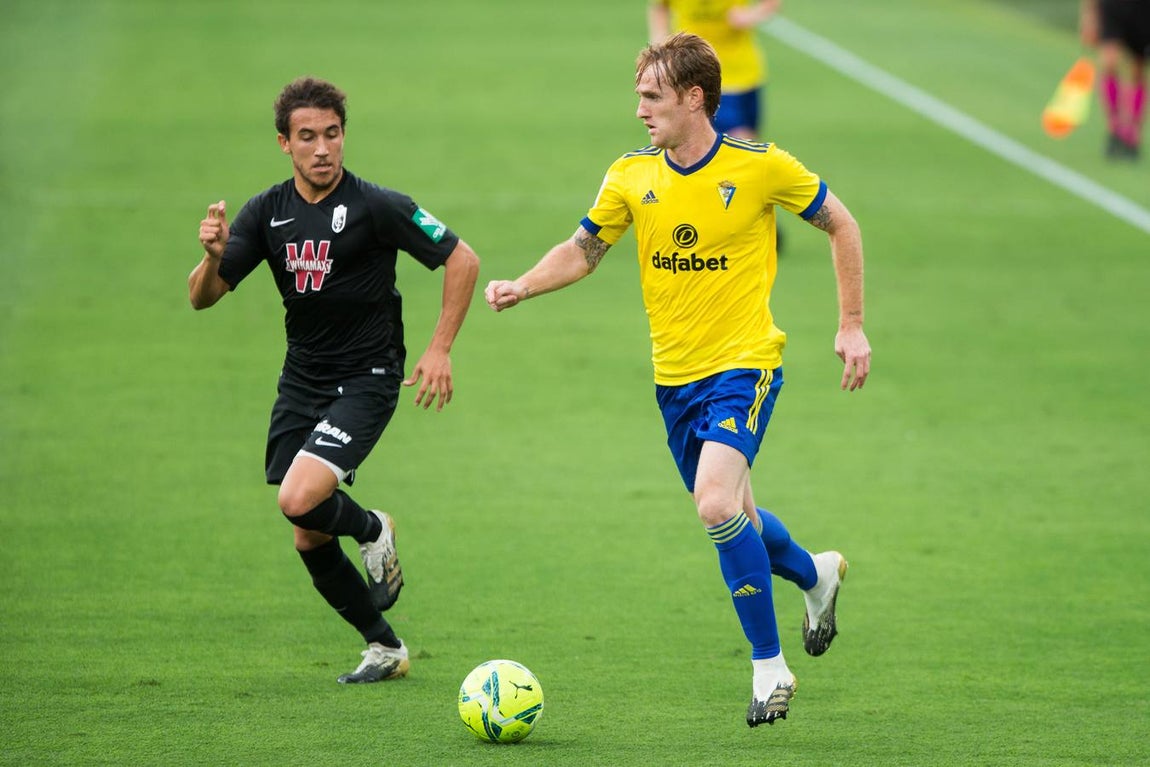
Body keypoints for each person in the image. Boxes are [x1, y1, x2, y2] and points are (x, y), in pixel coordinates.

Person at [485, 33, 870, 727]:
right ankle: (816, 574)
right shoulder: (631, 175)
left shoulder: (760, 165)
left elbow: (842, 223)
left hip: (745, 364)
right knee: (742, 519)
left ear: (695, 98)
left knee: (715, 504)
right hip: (675, 382)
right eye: (639, 96)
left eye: (652, 96)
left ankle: (769, 666)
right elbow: (584, 249)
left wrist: (850, 323)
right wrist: (524, 285)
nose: (640, 110)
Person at [189, 77, 480, 684]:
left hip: (369, 377)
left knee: (298, 498)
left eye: (332, 134)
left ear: (343, 136)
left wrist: (439, 349)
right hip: (302, 380)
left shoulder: (377, 206)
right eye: (307, 137)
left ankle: (374, 529)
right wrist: (214, 255)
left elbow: (462, 258)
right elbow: (202, 299)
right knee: (307, 534)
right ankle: (385, 648)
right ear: (283, 143)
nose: (322, 148)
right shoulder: (267, 212)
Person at [647, 0, 782, 141]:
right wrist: (660, 42)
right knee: (737, 140)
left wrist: (750, 16)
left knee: (748, 144)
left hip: (744, 74)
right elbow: (660, 7)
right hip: (698, 74)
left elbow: (771, 4)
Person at [1081, 0, 1149, 159]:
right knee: (1109, 61)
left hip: (1143, 8)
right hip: (1113, 5)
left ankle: (1132, 134)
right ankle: (1114, 128)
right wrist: (1089, 16)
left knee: (1137, 70)